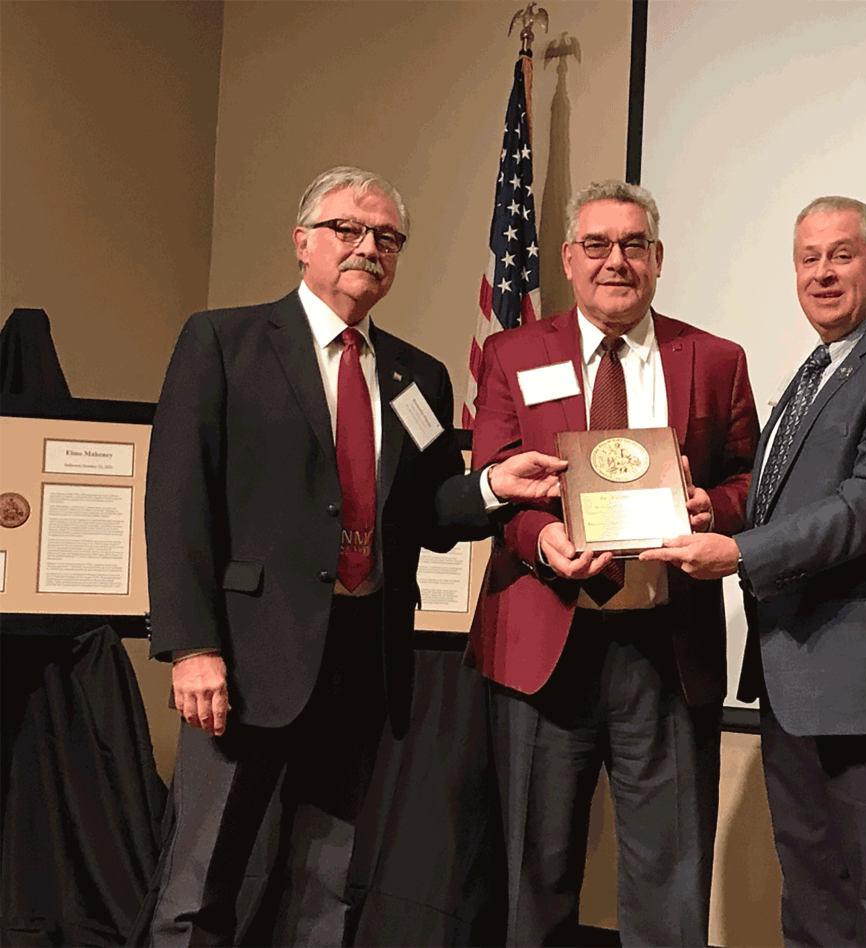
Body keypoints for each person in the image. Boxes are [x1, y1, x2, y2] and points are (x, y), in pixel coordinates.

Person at [145, 165, 567, 947]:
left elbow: (434, 511)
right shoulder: (224, 342)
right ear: (302, 240)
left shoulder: (419, 376)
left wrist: (495, 485)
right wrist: (192, 646)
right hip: (245, 659)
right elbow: (177, 504)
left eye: (387, 237)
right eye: (348, 228)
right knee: (201, 883)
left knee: (328, 884)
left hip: (361, 656)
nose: (367, 246)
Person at [642, 196, 866, 946]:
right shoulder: (813, 373)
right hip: (794, 686)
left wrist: (740, 553)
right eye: (808, 258)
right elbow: (785, 504)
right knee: (815, 903)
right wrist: (712, 517)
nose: (822, 273)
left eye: (842, 255)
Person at [467, 180, 759, 946]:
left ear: (658, 259)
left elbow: (751, 478)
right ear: (567, 259)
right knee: (535, 874)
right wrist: (540, 540)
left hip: (665, 650)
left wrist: (714, 511)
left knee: (669, 878)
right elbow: (494, 477)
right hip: (542, 645)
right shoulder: (511, 353)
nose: (616, 261)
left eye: (634, 245)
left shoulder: (715, 359)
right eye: (596, 245)